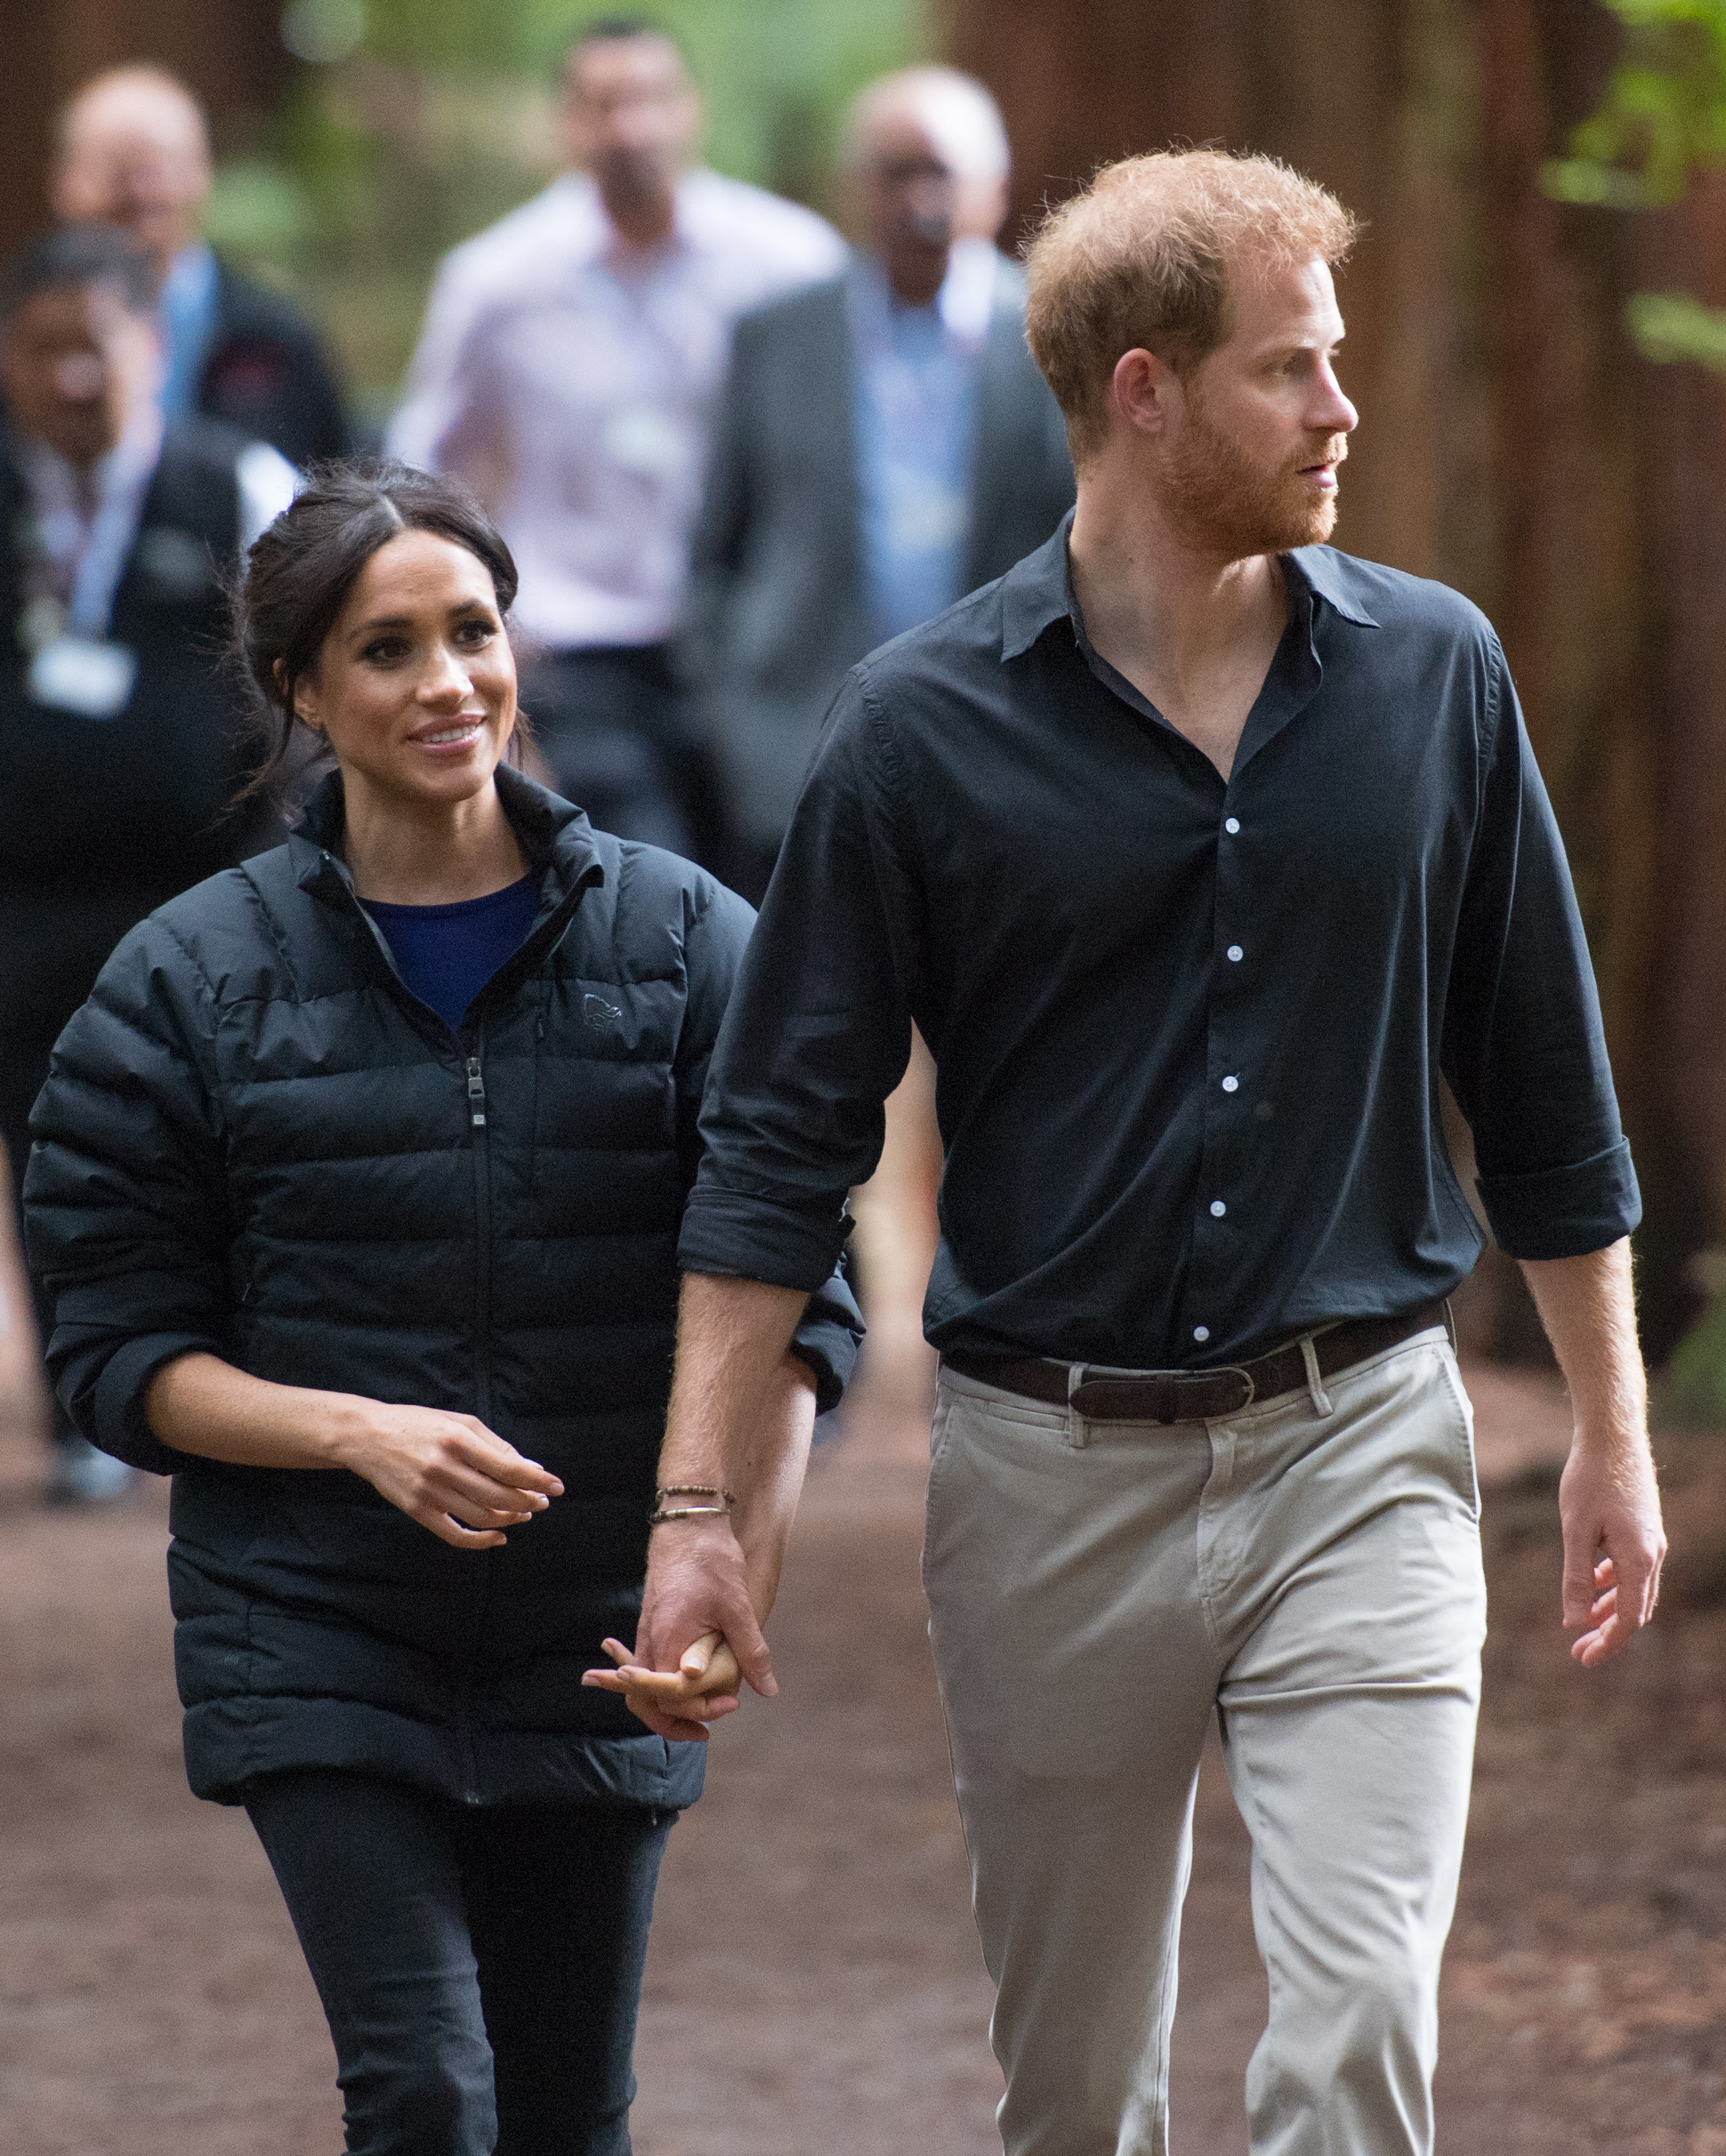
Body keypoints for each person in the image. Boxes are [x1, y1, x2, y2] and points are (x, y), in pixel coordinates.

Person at [604, 151, 1668, 2156]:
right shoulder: (915, 731)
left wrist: (1606, 1423)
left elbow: (1541, 1082)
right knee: (1078, 2096)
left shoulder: (1437, 676)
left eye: (1337, 365)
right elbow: (772, 1156)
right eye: (1293, 372)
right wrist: (696, 1514)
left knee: (1355, 2041)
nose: (1343, 411)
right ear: (1144, 392)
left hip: (1358, 1444)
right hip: (1046, 1484)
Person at [22, 461, 859, 2155]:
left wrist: (720, 1563)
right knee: (422, 2093)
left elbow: (799, 1296)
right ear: (301, 689)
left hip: (593, 1634)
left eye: (474, 630)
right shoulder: (185, 983)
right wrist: (354, 1431)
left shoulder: (688, 943)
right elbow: (115, 1353)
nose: (448, 681)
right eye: (387, 648)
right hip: (315, 1621)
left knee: (566, 2119)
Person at [388, 17, 843, 864]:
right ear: (566, 123)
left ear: (690, 111)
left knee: (771, 892)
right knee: (637, 893)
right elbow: (423, 466)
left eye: (650, 100)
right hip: (579, 655)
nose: (630, 129)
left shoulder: (789, 263)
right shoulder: (499, 280)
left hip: (751, 644)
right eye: (602, 105)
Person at [0, 221, 298, 1503]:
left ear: (154, 349)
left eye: (99, 349)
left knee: (218, 1137)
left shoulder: (238, 487)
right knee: (43, 1138)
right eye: (44, 350)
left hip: (200, 890)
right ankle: (85, 1405)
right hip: (19, 901)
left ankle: (235, 1383)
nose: (73, 379)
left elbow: (308, 686)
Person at [687, 65, 1074, 904]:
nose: (919, 196)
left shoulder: (1054, 335)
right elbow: (718, 544)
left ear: (995, 188)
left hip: (1002, 750)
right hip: (794, 754)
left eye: (941, 171)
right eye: (895, 171)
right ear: (853, 188)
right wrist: (731, 712)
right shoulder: (778, 335)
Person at [51, 65, 353, 470]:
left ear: (203, 174)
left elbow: (338, 494)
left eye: (158, 169)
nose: (140, 194)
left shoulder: (277, 340)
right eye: (117, 173)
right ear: (64, 183)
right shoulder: (15, 334)